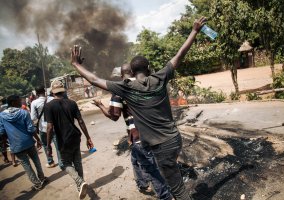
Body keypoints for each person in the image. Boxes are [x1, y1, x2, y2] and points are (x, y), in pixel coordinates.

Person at [71, 17, 206, 199]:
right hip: (175, 139)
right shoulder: (160, 78)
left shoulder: (126, 88)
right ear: (149, 68)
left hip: (160, 146)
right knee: (173, 177)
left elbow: (94, 80)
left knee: (178, 191)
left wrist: (76, 64)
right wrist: (194, 31)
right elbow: (180, 54)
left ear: (132, 73)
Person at [93, 64, 173, 200]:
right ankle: (142, 184)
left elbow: (114, 116)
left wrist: (100, 105)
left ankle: (165, 196)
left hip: (139, 135)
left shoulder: (119, 89)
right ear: (133, 72)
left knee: (150, 168)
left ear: (121, 75)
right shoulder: (143, 83)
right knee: (135, 159)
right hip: (151, 131)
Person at [44, 80, 94, 199]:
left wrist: (48, 145)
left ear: (53, 92)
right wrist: (88, 137)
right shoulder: (72, 103)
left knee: (65, 164)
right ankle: (80, 187)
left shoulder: (49, 106)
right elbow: (80, 121)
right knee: (77, 162)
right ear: (63, 90)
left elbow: (50, 127)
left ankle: (79, 182)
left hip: (63, 139)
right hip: (75, 137)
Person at [0, 95, 46, 190]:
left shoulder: (2, 116)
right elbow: (30, 129)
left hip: (16, 145)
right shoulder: (24, 113)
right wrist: (38, 139)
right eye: (19, 100)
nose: (21, 102)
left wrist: (7, 142)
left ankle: (37, 184)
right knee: (36, 161)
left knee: (26, 165)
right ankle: (42, 178)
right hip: (28, 142)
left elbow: (2, 132)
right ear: (13, 103)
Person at [31, 86, 63, 169]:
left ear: (36, 93)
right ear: (44, 91)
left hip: (43, 128)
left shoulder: (34, 103)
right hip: (54, 127)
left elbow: (33, 118)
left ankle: (50, 161)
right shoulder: (52, 99)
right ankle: (61, 163)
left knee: (46, 145)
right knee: (58, 145)